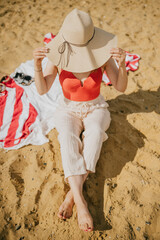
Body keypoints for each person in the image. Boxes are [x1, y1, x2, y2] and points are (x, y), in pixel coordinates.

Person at [33, 8, 128, 232]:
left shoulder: (102, 56)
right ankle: (81, 203)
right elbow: (42, 88)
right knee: (67, 138)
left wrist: (122, 65)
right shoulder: (59, 56)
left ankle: (71, 196)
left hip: (96, 107)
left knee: (94, 135)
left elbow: (121, 87)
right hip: (68, 109)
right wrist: (37, 67)